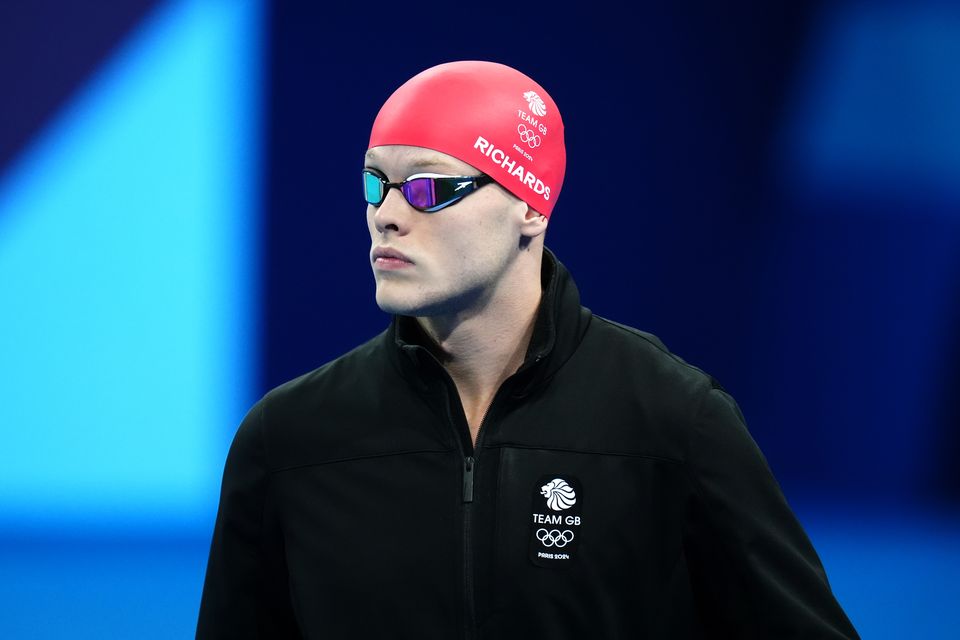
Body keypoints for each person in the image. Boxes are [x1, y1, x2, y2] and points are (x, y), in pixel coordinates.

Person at [197, 60, 860, 639]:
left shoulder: (671, 419)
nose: (388, 214)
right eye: (376, 184)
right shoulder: (289, 440)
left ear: (531, 206)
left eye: (429, 188)